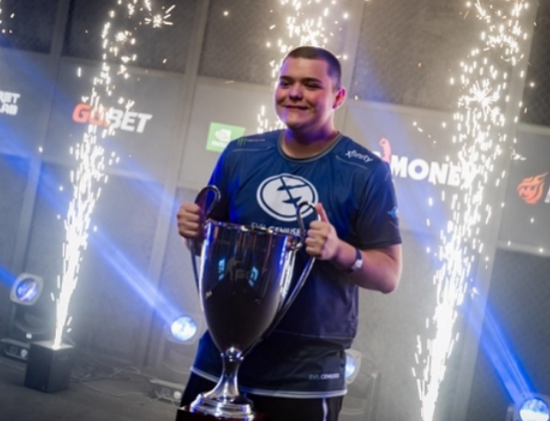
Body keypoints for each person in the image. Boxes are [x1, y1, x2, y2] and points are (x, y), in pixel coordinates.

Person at [176, 45, 402, 421]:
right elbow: (206, 245)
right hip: (221, 355)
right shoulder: (240, 153)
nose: (294, 93)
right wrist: (195, 232)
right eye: (286, 82)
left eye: (311, 85)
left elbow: (390, 275)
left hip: (305, 373)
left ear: (338, 97)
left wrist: (339, 250)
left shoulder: (366, 172)